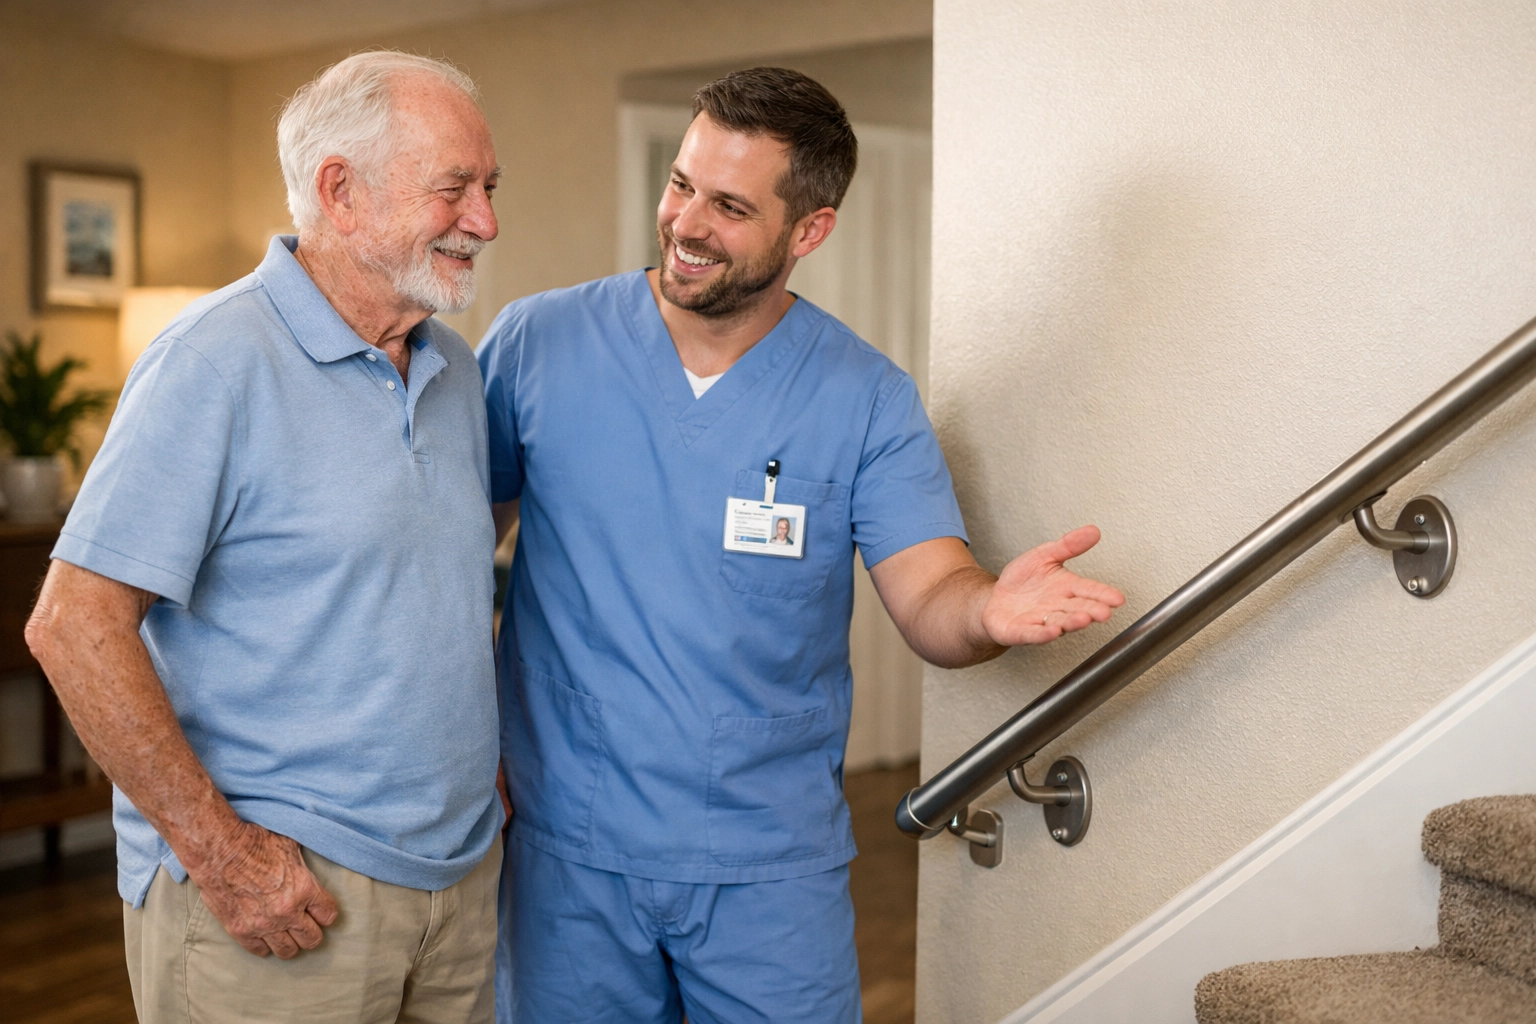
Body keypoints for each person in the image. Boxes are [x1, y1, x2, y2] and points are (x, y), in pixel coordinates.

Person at [478, 67, 1125, 1023]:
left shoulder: (864, 397)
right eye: (682, 183)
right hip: (567, 852)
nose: (687, 223)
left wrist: (986, 608)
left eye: (730, 206)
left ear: (808, 231)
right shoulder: (538, 344)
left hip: (767, 868)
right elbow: (446, 559)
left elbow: (931, 590)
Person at [25, 51, 505, 1024]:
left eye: (490, 189)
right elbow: (73, 624)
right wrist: (220, 852)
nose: (486, 222)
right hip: (284, 901)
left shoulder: (454, 368)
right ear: (341, 192)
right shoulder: (214, 360)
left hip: (458, 892)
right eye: (455, 189)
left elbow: (428, 591)